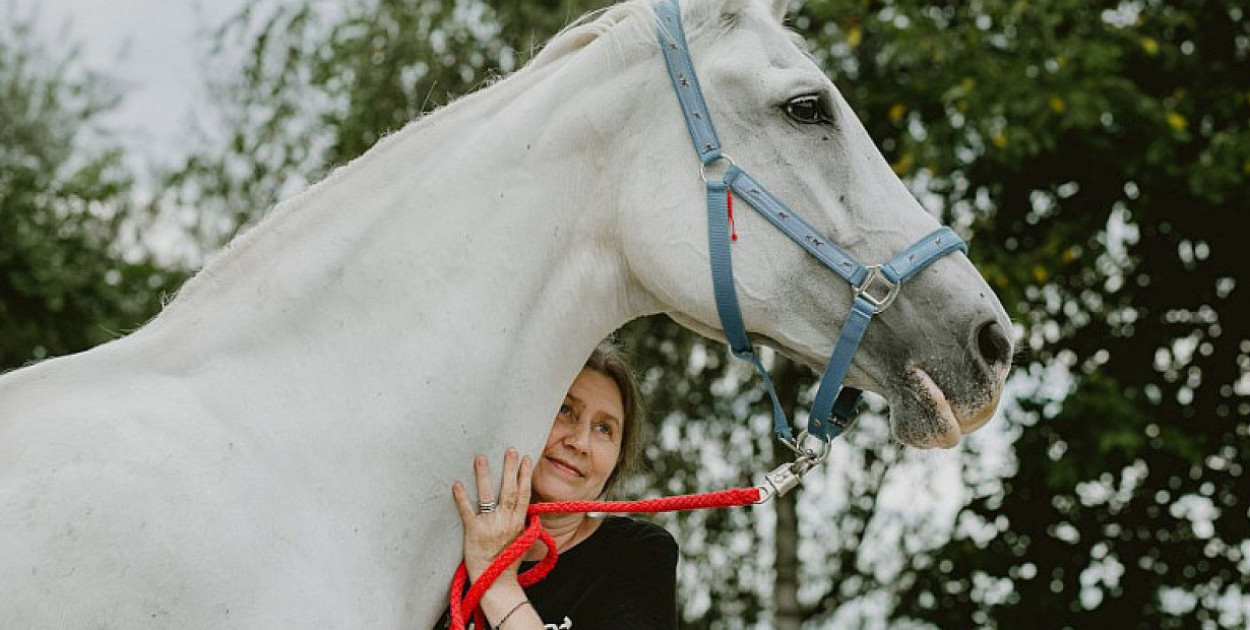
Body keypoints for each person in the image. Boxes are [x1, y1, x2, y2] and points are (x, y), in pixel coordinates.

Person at [444, 341, 678, 630]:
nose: (580, 442)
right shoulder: (449, 537)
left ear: (617, 461)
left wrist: (498, 583)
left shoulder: (637, 555)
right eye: (565, 410)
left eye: (604, 428)